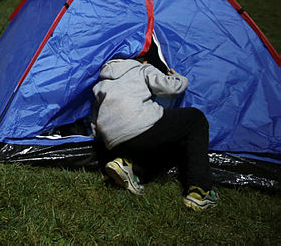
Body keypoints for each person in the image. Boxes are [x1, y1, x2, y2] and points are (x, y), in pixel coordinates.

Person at [93, 54, 219, 211]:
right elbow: (170, 89)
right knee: (195, 119)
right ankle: (201, 190)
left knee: (154, 145)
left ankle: (128, 166)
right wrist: (179, 77)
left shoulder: (102, 82)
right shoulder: (142, 68)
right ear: (143, 60)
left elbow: (95, 117)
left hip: (112, 141)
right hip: (140, 126)